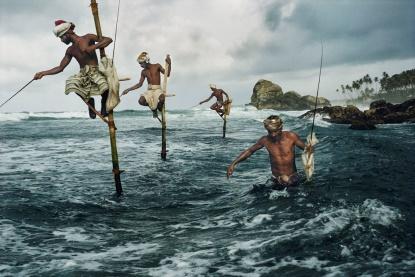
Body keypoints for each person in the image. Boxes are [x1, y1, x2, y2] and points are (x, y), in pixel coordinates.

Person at [34, 20, 113, 119]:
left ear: (68, 33)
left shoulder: (88, 37)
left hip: (95, 70)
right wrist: (43, 73)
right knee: (71, 83)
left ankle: (104, 107)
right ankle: (89, 101)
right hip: (83, 74)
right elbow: (60, 67)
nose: (61, 40)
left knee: (105, 86)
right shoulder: (70, 50)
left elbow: (108, 40)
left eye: (61, 37)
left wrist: (93, 47)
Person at [227, 115, 313, 189]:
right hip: (276, 179)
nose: (273, 135)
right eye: (270, 132)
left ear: (281, 128)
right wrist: (233, 163)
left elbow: (307, 150)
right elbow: (249, 151)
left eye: (275, 131)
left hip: (292, 178)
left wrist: (309, 148)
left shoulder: (291, 137)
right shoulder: (265, 140)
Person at [121, 52, 171, 118]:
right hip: (149, 90)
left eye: (141, 63)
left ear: (146, 61)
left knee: (162, 99)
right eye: (139, 63)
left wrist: (169, 64)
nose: (140, 65)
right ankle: (154, 109)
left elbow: (167, 74)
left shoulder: (157, 66)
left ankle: (158, 107)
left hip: (157, 89)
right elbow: (139, 84)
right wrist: (128, 90)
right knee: (141, 101)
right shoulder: (143, 72)